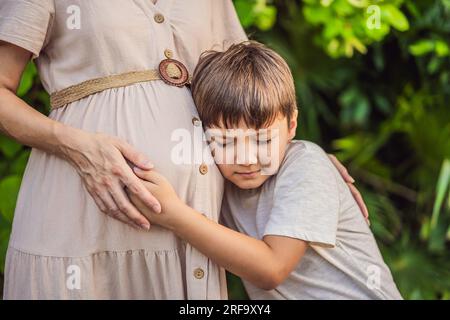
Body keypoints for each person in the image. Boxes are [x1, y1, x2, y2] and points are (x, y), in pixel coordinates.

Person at [129, 41, 402, 299]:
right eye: (226, 142)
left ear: (292, 126)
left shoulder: (305, 166)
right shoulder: (215, 179)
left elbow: (272, 269)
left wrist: (172, 213)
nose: (247, 159)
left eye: (262, 140)